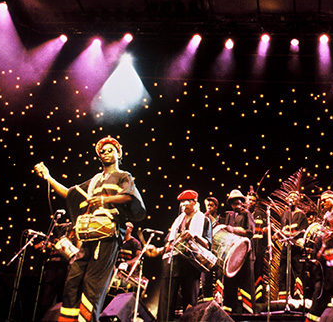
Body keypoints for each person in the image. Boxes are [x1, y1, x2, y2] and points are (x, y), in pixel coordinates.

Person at [34, 135, 146, 322]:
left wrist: (104, 200)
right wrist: (49, 178)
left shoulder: (123, 176)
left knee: (93, 285)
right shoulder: (94, 180)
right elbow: (70, 194)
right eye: (102, 151)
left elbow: (129, 197)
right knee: (73, 281)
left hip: (108, 237)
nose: (106, 153)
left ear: (119, 153)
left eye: (110, 150)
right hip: (89, 237)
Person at [157, 189, 212, 322]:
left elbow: (207, 244)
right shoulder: (177, 221)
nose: (183, 206)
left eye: (186, 203)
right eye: (181, 203)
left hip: (191, 265)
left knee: (190, 303)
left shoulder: (204, 220)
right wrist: (158, 250)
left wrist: (194, 236)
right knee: (166, 301)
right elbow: (168, 243)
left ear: (194, 202)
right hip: (173, 264)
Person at [222, 189, 255, 314]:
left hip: (245, 254)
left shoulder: (247, 214)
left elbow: (250, 232)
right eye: (233, 203)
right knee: (230, 282)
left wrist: (233, 229)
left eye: (238, 203)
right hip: (231, 255)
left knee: (245, 282)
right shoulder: (229, 216)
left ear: (242, 202)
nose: (236, 205)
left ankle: (247, 313)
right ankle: (229, 310)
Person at [278, 190, 308, 301]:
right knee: (283, 272)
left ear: (298, 200)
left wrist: (288, 234)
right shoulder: (284, 215)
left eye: (295, 197)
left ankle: (298, 298)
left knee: (298, 271)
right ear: (287, 200)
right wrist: (278, 235)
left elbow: (303, 232)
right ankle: (283, 299)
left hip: (297, 248)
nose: (293, 198)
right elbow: (282, 230)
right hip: (286, 247)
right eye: (290, 197)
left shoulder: (301, 215)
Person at [247, 188, 268, 308]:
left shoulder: (261, 215)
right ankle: (245, 300)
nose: (251, 202)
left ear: (256, 202)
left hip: (258, 250)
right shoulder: (242, 214)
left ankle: (258, 299)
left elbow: (266, 232)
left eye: (253, 200)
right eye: (249, 199)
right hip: (245, 250)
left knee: (257, 273)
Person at [201, 196, 220, 300]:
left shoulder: (221, 218)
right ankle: (207, 301)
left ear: (216, 207)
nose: (209, 207)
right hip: (207, 252)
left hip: (217, 252)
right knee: (206, 278)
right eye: (207, 205)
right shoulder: (202, 219)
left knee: (218, 277)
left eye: (211, 205)